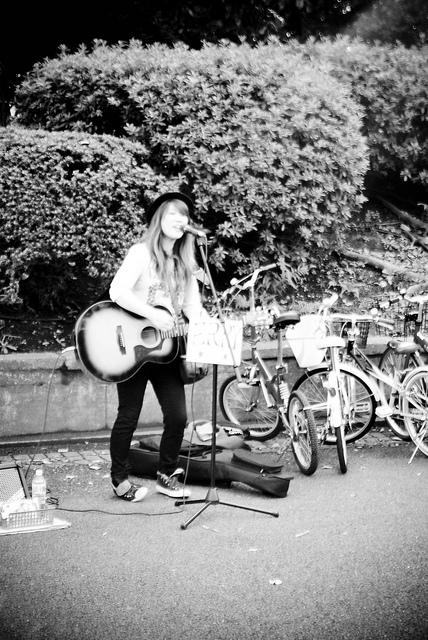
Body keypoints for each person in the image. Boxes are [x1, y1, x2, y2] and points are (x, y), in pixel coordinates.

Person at [108, 191, 207, 502]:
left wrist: (211, 326)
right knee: (129, 414)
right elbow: (117, 291)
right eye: (173, 214)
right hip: (132, 348)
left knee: (178, 417)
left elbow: (193, 307)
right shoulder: (141, 254)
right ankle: (119, 479)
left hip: (167, 352)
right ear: (159, 219)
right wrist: (153, 315)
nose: (181, 220)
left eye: (185, 216)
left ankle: (167, 475)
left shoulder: (185, 264)